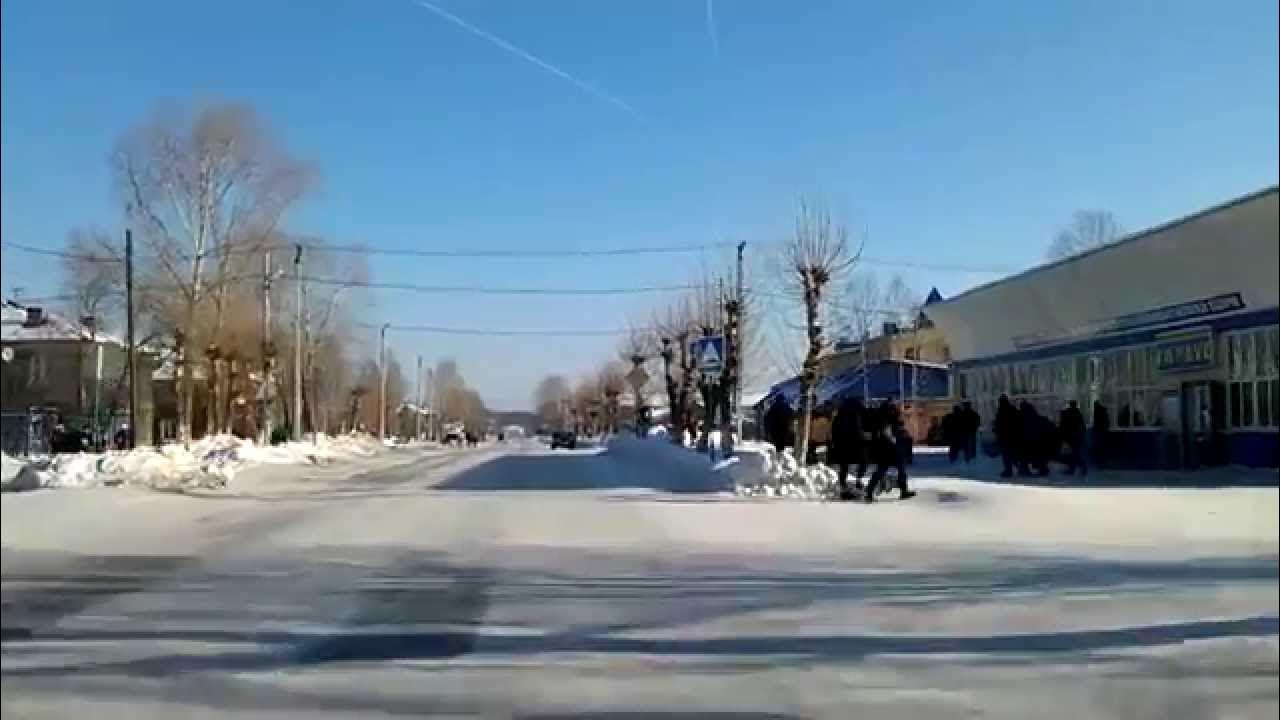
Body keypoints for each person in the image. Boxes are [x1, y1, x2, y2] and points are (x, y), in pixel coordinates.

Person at [864, 400, 915, 503]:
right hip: (891, 449)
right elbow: (888, 433)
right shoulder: (889, 418)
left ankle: (869, 492)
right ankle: (903, 491)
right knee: (900, 469)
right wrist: (895, 441)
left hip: (884, 449)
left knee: (881, 470)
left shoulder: (881, 417)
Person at [828, 396, 867, 499]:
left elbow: (834, 430)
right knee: (863, 461)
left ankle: (843, 487)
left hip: (841, 446)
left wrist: (835, 444)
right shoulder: (855, 416)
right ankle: (858, 482)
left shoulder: (839, 415)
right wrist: (862, 440)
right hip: (854, 445)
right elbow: (857, 431)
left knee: (844, 467)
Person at [994, 394, 1024, 478]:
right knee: (1013, 454)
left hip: (1005, 437)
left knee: (1006, 455)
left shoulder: (1001, 411)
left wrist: (997, 432)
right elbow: (1019, 420)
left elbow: (998, 424)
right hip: (1013, 436)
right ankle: (1020, 468)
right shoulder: (1012, 409)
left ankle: (1008, 470)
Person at [1020, 401, 1051, 476]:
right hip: (1037, 439)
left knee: (1025, 456)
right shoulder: (1034, 415)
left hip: (1029, 439)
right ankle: (1043, 469)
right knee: (1037, 456)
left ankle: (1025, 470)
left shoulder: (1024, 416)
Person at [1059, 400, 1087, 475]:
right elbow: (1082, 426)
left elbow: (1062, 426)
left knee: (1072, 454)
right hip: (1077, 437)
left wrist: (1062, 436)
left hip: (1069, 437)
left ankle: (1076, 467)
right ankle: (1075, 468)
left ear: (1070, 405)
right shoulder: (1078, 414)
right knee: (1074, 453)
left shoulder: (1066, 413)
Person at [1092, 401, 1111, 469]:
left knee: (1099, 449)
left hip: (1099, 432)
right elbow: (1107, 422)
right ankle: (1104, 462)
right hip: (1104, 432)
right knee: (1103, 449)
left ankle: (1100, 463)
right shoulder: (1104, 411)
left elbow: (1096, 423)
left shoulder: (1097, 412)